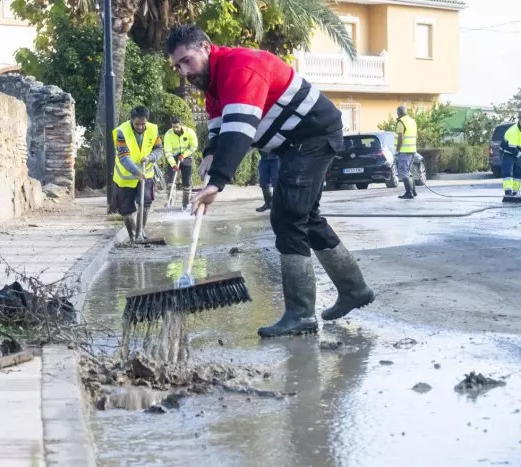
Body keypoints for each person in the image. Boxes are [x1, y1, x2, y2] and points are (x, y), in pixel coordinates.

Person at [165, 25, 375, 338]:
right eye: (177, 66)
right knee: (307, 218)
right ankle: (354, 290)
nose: (183, 72)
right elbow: (219, 128)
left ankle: (301, 314)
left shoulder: (241, 67)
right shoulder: (213, 85)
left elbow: (239, 129)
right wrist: (210, 156)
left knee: (288, 217)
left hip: (314, 135)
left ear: (206, 47)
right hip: (291, 144)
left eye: (187, 61)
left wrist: (218, 182)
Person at [112, 106, 164, 242]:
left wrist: (151, 157)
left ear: (147, 120)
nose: (140, 127)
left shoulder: (153, 129)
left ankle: (140, 233)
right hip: (125, 177)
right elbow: (123, 157)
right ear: (131, 120)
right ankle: (133, 236)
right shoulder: (121, 132)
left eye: (143, 124)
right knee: (126, 211)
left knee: (145, 204)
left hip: (146, 174)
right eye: (137, 124)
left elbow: (159, 149)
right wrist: (136, 171)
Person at [163, 116, 199, 210]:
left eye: (177, 127)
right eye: (173, 127)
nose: (175, 129)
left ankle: (185, 203)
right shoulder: (168, 134)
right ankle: (170, 201)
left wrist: (184, 154)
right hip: (174, 158)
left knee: (186, 182)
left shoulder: (189, 132)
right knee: (171, 181)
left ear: (181, 125)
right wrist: (173, 164)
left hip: (186, 157)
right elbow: (167, 151)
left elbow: (194, 146)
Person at [395, 105, 418, 199]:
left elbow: (400, 138)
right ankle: (413, 191)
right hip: (412, 150)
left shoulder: (401, 122)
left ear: (398, 113)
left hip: (404, 150)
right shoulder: (412, 121)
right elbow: (416, 136)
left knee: (403, 171)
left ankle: (409, 193)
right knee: (408, 171)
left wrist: (397, 150)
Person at [500, 110, 521, 202]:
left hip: (518, 151)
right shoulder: (513, 131)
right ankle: (508, 192)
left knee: (518, 172)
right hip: (507, 151)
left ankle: (515, 193)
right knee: (508, 172)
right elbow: (512, 148)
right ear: (519, 120)